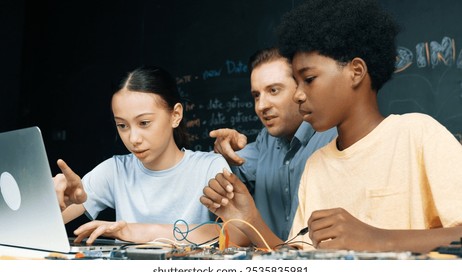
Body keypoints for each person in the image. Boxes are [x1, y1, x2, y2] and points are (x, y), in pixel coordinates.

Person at [201, 0, 462, 254]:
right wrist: (251, 220)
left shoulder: (417, 134)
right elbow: (302, 258)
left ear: (356, 71)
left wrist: (375, 237)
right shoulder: (316, 166)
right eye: (297, 83)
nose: (298, 95)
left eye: (309, 79)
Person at [53, 65, 232, 245]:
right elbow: (40, 224)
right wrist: (60, 201)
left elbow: (233, 231)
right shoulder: (115, 170)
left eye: (144, 123)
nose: (133, 138)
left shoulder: (210, 167)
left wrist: (140, 231)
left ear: (176, 115)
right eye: (122, 125)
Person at [209, 47, 336, 241]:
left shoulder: (334, 139)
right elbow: (229, 168)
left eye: (273, 90)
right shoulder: (265, 142)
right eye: (256, 95)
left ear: (302, 88)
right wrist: (224, 151)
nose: (261, 106)